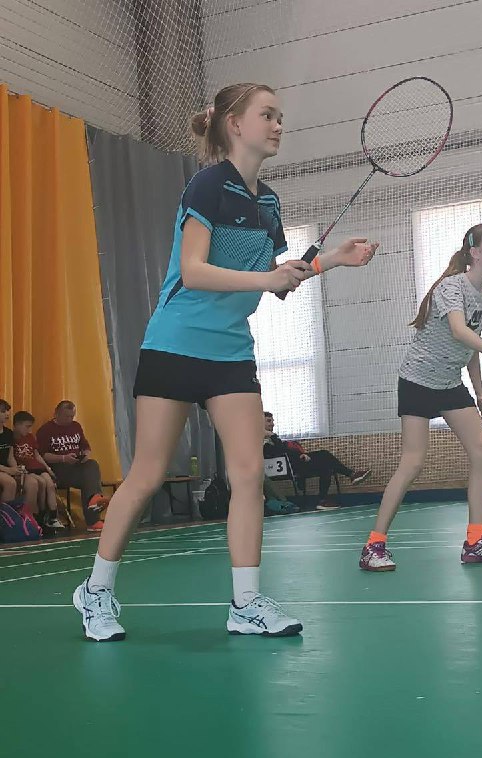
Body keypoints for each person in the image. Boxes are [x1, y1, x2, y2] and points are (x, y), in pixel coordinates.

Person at [71, 81, 378, 642]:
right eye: (268, 115)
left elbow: (275, 280)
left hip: (231, 351)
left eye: (280, 116)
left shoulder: (269, 202)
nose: (278, 125)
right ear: (235, 124)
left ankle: (246, 603)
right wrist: (267, 278)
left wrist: (329, 260)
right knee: (147, 476)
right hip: (175, 343)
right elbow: (193, 271)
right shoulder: (209, 184)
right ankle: (95, 591)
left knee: (249, 473)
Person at [359, 223, 482, 572]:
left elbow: (471, 347)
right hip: (418, 380)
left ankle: (476, 541)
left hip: (450, 383)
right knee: (413, 462)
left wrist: (481, 396)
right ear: (475, 252)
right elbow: (458, 330)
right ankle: (374, 546)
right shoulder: (451, 287)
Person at [263, 411, 371, 510]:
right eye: (269, 421)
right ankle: (351, 475)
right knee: (324, 455)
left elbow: (284, 449)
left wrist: (300, 454)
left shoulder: (270, 438)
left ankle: (322, 501)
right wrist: (272, 435)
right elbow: (279, 451)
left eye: (272, 421)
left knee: (326, 467)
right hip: (287, 467)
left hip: (295, 463)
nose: (272, 424)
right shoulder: (260, 439)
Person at [37, 401, 108, 532]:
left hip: (76, 466)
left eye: (72, 416)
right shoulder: (45, 430)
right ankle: (93, 515)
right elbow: (41, 455)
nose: (69, 419)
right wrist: (63, 458)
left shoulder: (76, 426)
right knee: (89, 479)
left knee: (92, 465)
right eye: (66, 416)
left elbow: (85, 446)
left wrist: (85, 454)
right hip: (58, 469)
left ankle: (94, 500)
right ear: (56, 413)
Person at [13, 411, 64, 529]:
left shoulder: (30, 437)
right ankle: (38, 515)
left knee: (49, 484)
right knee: (40, 483)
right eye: (27, 427)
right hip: (27, 469)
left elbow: (37, 455)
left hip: (37, 467)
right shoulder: (12, 438)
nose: (30, 430)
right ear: (17, 425)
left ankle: (52, 517)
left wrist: (47, 468)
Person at [0, 399, 21, 504]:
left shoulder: (8, 433)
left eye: (8, 410)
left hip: (5, 469)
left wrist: (16, 469)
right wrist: (8, 470)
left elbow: (10, 457)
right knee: (10, 483)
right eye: (3, 411)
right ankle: (5, 514)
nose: (7, 414)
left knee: (28, 481)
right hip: (2, 469)